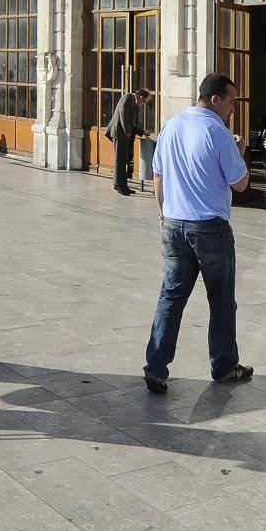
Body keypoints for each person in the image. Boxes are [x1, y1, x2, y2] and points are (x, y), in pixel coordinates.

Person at [143, 73, 254, 393]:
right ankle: (224, 367)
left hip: (174, 224)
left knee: (171, 297)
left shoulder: (171, 126)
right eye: (231, 101)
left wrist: (164, 216)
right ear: (215, 99)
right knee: (221, 301)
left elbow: (158, 176)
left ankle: (155, 368)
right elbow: (241, 183)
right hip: (210, 229)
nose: (233, 108)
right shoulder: (218, 132)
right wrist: (241, 150)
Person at [106, 86, 152, 196]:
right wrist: (127, 131)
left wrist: (142, 132)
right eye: (144, 101)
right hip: (119, 134)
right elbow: (123, 115)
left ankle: (124, 185)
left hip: (124, 135)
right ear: (141, 96)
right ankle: (118, 185)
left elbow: (131, 123)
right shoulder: (128, 97)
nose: (143, 104)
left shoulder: (134, 103)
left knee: (124, 160)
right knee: (120, 160)